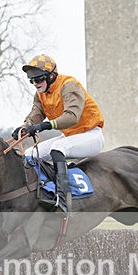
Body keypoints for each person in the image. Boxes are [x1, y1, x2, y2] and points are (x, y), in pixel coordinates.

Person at [12, 54, 105, 214]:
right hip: (70, 137)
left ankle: (63, 200)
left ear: (51, 75)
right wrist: (25, 127)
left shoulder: (69, 85)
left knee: (57, 147)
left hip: (91, 134)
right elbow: (36, 114)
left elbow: (72, 116)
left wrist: (45, 125)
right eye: (32, 81)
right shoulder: (40, 93)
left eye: (39, 79)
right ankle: (45, 191)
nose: (35, 84)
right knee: (30, 155)